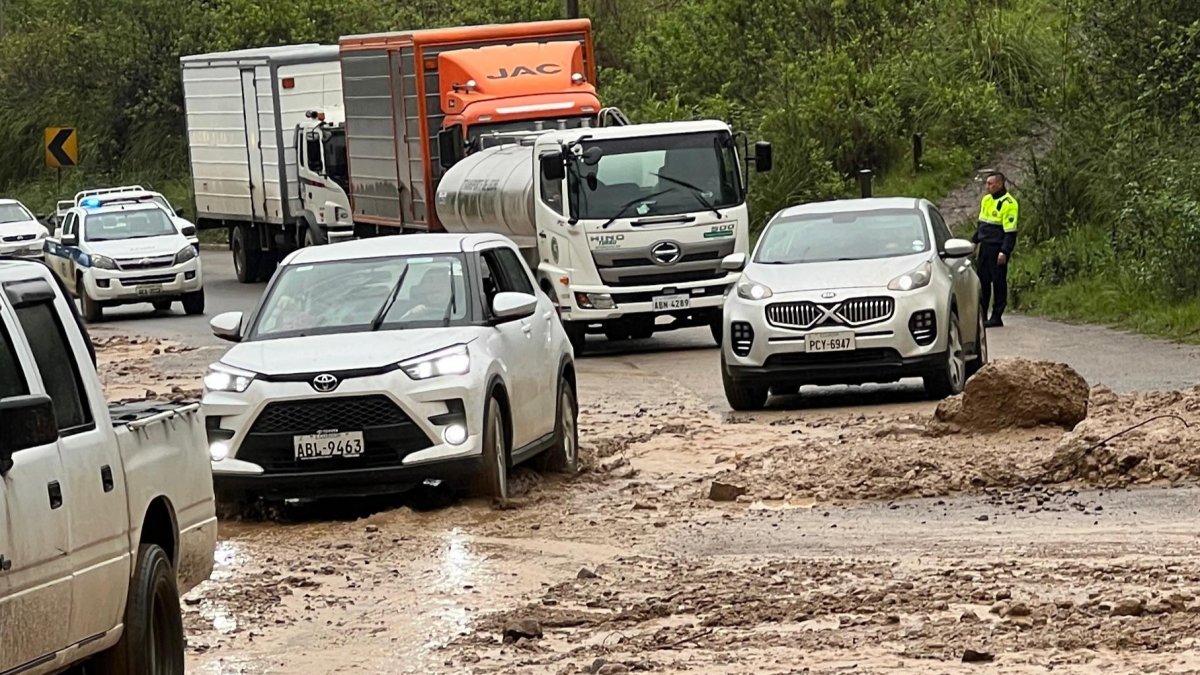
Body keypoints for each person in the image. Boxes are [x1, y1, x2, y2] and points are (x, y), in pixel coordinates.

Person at [972, 171, 1018, 327]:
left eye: (990, 184)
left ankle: (997, 315)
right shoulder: (986, 200)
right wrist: (974, 242)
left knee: (998, 282)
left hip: (997, 248)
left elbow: (1010, 232)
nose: (987, 187)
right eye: (987, 183)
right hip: (984, 247)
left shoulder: (1009, 204)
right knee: (982, 281)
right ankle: (982, 314)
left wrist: (1005, 251)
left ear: (1000, 184)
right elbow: (981, 225)